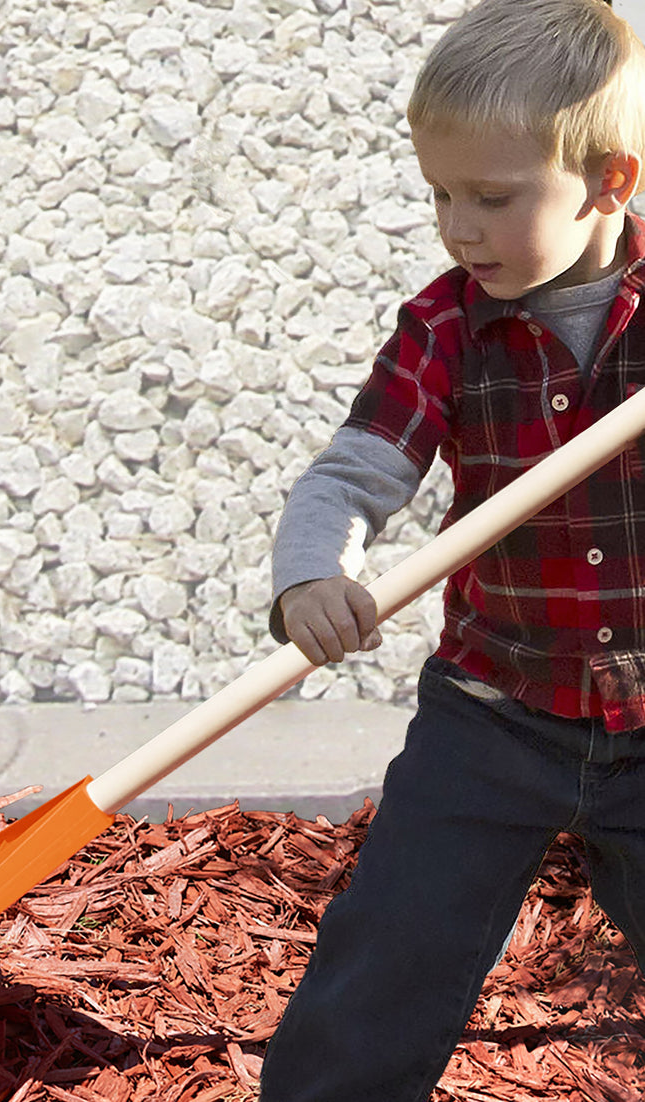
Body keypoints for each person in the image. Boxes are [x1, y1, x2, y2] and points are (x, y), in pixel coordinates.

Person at [259, 0, 645, 1098]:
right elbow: (352, 472)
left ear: (608, 184)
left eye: (491, 198)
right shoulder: (442, 324)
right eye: (439, 194)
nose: (457, 228)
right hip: (492, 716)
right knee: (388, 949)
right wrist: (309, 573)